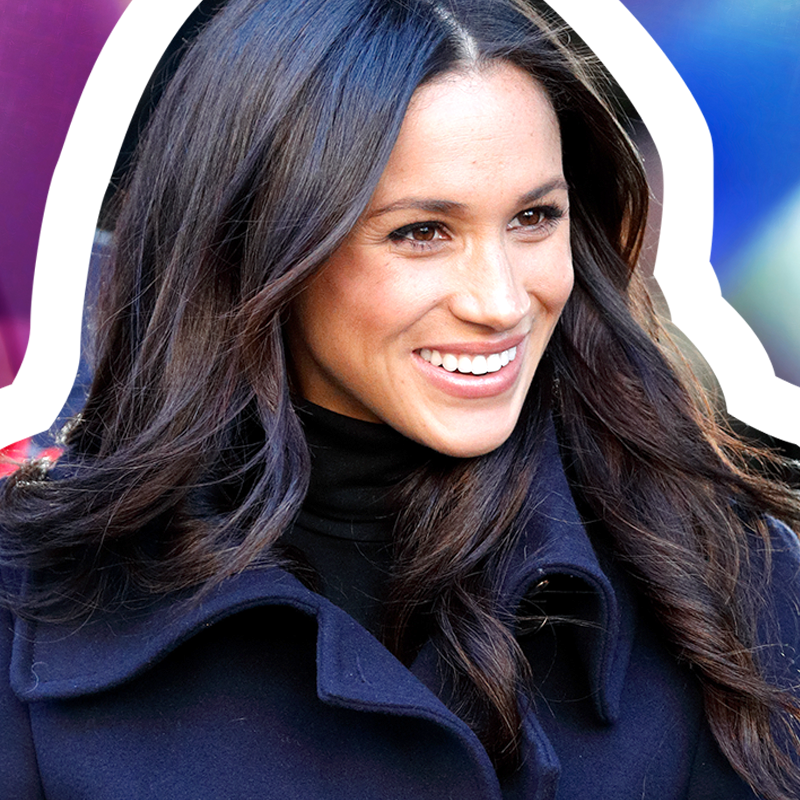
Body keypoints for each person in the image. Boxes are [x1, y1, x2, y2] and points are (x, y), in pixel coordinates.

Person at [2, 0, 800, 797]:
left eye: (533, 218)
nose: (501, 302)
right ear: (253, 243)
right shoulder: (31, 614)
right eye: (422, 232)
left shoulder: (724, 578)